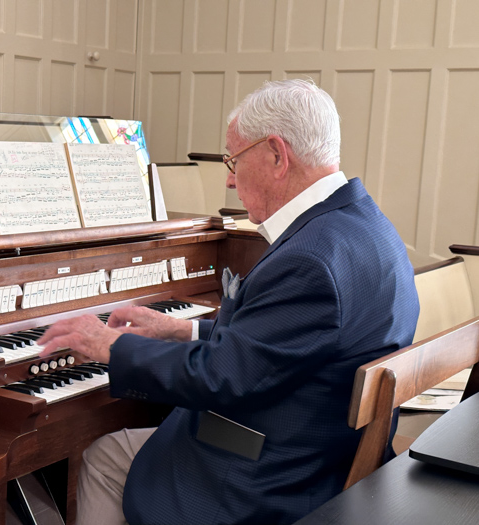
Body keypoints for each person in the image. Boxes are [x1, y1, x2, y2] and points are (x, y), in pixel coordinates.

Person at [38, 79, 420, 525]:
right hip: (317, 443)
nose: (229, 178)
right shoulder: (365, 223)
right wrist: (184, 328)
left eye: (233, 159)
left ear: (277, 155)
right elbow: (282, 341)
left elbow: (218, 378)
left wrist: (109, 346)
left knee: (105, 456)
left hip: (270, 475)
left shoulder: (310, 261)